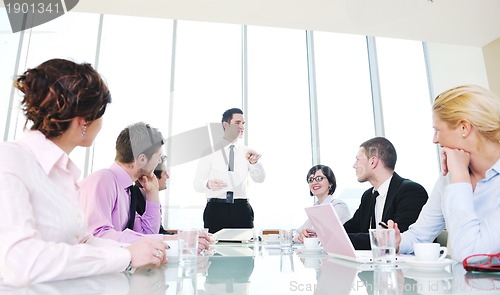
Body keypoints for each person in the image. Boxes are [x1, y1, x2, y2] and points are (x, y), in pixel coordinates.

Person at [0, 59, 166, 287]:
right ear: (84, 122)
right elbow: (21, 261)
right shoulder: (10, 160)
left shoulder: (63, 173)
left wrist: (137, 249)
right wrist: (125, 256)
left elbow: (80, 241)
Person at [388, 84, 500, 261]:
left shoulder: (457, 176)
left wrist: (461, 177)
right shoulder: (449, 178)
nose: (435, 140)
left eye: (437, 130)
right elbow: (419, 235)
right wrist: (398, 242)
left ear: (464, 127)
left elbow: (470, 255)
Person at [299, 137, 428, 249]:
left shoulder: (411, 192)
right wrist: (321, 235)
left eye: (358, 159)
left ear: (373, 161)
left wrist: (335, 239)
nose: (354, 165)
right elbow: (349, 229)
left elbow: (396, 239)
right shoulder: (368, 196)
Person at [193, 108, 265, 233]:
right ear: (226, 125)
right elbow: (197, 184)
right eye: (237, 123)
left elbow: (260, 179)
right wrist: (208, 184)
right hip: (215, 209)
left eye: (243, 123)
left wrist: (254, 163)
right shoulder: (209, 152)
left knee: (245, 250)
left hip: (242, 209)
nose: (242, 126)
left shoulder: (248, 151)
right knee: (213, 250)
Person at [294, 165, 351, 242]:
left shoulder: (339, 206)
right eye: (311, 180)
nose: (314, 182)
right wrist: (300, 235)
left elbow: (319, 234)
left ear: (330, 183)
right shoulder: (316, 208)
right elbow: (298, 232)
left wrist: (305, 235)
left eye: (319, 178)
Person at [131, 158, 171, 235]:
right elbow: (145, 235)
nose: (168, 176)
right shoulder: (131, 197)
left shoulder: (152, 198)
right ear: (153, 176)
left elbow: (159, 230)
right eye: (165, 173)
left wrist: (181, 237)